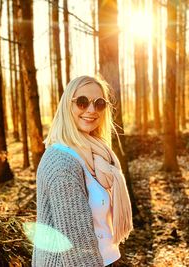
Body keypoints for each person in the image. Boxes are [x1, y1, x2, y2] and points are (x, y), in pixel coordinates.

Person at [32, 76, 133, 267]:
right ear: (67, 106)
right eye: (82, 102)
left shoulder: (97, 155)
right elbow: (76, 247)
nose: (91, 110)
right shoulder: (61, 161)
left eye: (99, 103)